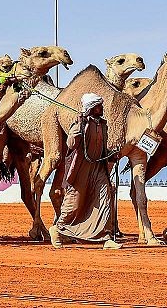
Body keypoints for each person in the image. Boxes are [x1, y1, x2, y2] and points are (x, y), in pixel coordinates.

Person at [49, 93, 121, 249]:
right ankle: (59, 229)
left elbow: (102, 146)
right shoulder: (79, 124)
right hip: (81, 168)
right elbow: (71, 144)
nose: (101, 108)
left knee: (105, 197)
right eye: (98, 106)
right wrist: (77, 131)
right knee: (74, 202)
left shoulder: (102, 124)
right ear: (92, 108)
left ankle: (105, 237)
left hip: (98, 168)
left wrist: (111, 154)